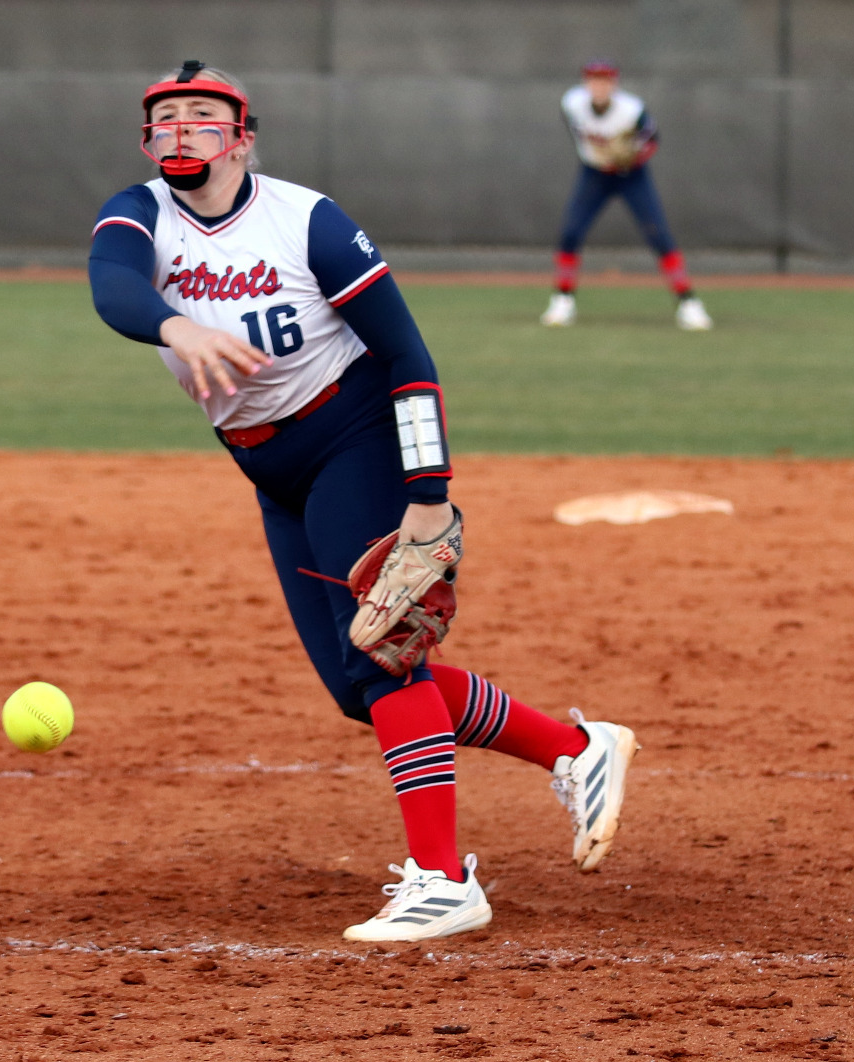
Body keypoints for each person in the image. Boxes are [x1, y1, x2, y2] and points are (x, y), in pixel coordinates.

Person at [89, 61, 641, 943]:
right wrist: (175, 322)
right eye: (165, 118)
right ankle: (577, 750)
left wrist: (429, 496)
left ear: (243, 135)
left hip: (355, 438)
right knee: (361, 686)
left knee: (382, 661)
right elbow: (113, 286)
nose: (181, 131)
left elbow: (407, 355)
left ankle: (442, 877)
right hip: (269, 469)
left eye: (204, 115)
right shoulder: (140, 212)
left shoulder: (305, 220)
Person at [541, 59, 712, 331]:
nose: (599, 85)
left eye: (605, 80)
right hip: (594, 174)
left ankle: (688, 303)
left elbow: (653, 138)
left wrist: (632, 152)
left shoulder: (630, 109)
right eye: (594, 79)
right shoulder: (572, 103)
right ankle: (563, 300)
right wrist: (603, 151)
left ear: (614, 84)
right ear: (586, 83)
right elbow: (576, 128)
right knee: (570, 233)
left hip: (631, 175)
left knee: (659, 235)